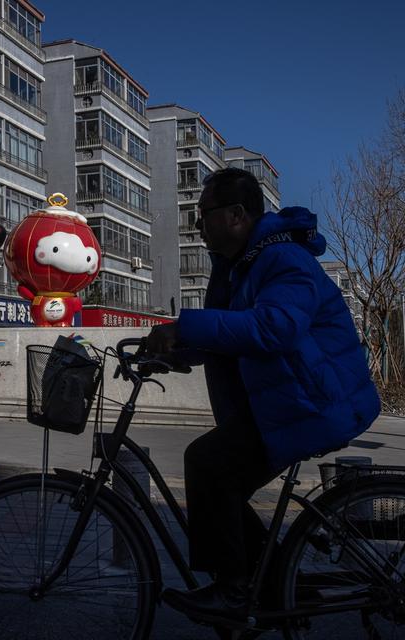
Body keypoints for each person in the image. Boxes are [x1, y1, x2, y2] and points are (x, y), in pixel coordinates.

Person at [146, 167, 380, 622]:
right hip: (288, 402)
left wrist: (185, 326)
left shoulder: (282, 259)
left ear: (235, 215)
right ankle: (273, 584)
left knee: (209, 464)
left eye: (203, 214)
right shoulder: (240, 266)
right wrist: (173, 347)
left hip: (315, 403)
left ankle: (236, 591)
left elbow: (276, 327)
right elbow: (230, 336)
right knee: (221, 481)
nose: (198, 225)